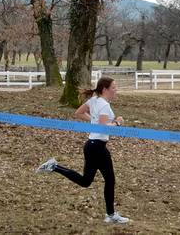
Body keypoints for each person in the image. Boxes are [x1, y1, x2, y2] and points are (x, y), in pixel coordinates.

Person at [36, 77, 129, 224]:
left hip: (92, 146)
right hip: (97, 147)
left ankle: (54, 166)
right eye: (114, 87)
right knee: (110, 180)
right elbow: (103, 127)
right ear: (105, 89)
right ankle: (111, 215)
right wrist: (117, 122)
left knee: (86, 181)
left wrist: (93, 122)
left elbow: (78, 113)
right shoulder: (103, 105)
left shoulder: (94, 100)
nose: (116, 90)